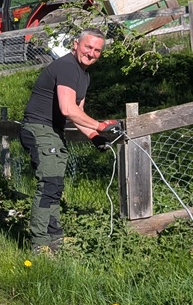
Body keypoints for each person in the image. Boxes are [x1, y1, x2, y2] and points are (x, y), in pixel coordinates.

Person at [18, 28, 118, 253]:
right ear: (75, 44)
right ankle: (39, 244)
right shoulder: (66, 67)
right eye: (88, 47)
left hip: (53, 131)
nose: (91, 53)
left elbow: (76, 114)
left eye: (97, 50)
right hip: (39, 129)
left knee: (54, 185)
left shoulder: (84, 75)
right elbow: (67, 108)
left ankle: (55, 240)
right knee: (48, 185)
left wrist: (94, 136)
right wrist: (100, 125)